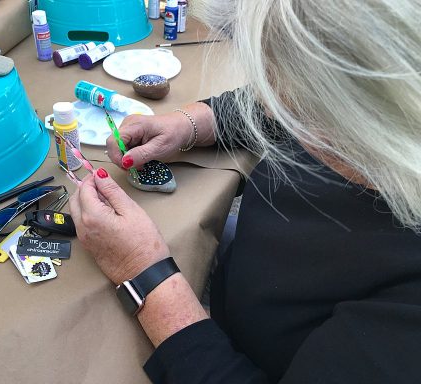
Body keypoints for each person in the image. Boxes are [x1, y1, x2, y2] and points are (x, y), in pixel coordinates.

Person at [70, 1, 421, 382]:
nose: (269, 112)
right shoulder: (378, 111)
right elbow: (274, 104)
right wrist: (191, 124)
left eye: (298, 107)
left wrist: (142, 272)